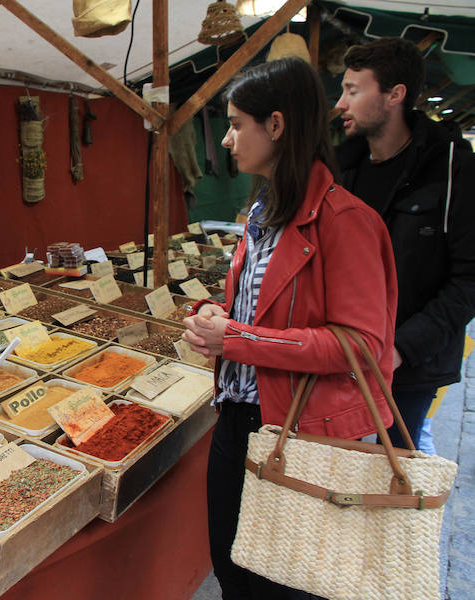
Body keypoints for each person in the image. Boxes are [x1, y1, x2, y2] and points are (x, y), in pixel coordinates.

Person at [182, 57, 398, 599]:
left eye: (235, 124)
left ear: (276, 125)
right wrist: (218, 315)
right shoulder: (261, 214)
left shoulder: (345, 220)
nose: (227, 139)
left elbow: (360, 344)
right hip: (237, 419)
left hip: (300, 432)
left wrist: (235, 338)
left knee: (286, 584)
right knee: (233, 571)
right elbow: (262, 311)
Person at [335, 38, 475, 450]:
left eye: (353, 91)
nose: (341, 104)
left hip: (410, 366)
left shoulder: (453, 171)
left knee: (390, 472)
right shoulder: (344, 167)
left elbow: (469, 281)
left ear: (395, 95)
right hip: (340, 355)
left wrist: (400, 348)